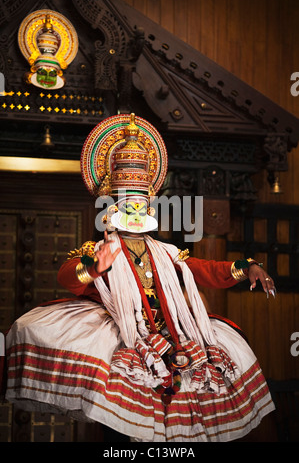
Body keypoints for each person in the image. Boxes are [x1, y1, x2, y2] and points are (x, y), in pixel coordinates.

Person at [3, 114, 275, 442]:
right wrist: (94, 267)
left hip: (167, 331)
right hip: (120, 331)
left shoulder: (164, 252)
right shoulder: (98, 248)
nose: (134, 214)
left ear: (149, 208)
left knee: (202, 376)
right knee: (113, 414)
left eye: (140, 207)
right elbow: (68, 278)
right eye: (126, 206)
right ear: (113, 208)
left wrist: (246, 267)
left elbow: (204, 270)